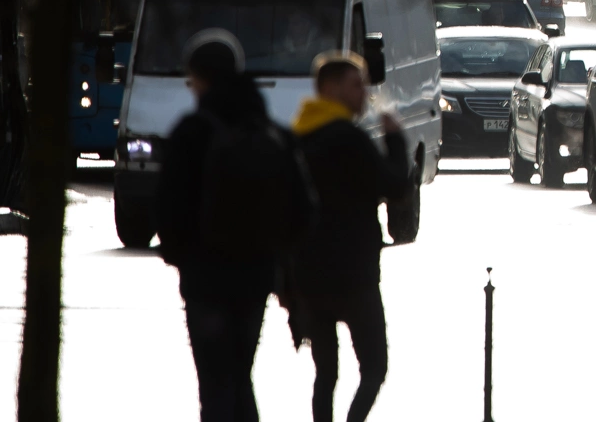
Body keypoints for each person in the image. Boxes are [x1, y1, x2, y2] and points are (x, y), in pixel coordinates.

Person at [157, 30, 313, 422]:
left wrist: (183, 258)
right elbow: (303, 209)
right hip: (256, 275)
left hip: (205, 278)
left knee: (215, 382)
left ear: (200, 78)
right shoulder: (271, 131)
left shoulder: (192, 132)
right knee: (240, 376)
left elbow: (168, 208)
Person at [290, 51, 411, 422]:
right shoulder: (349, 138)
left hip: (309, 277)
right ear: (330, 88)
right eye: (355, 85)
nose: (365, 94)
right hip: (353, 275)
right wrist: (395, 141)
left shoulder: (297, 137)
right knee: (374, 367)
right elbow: (393, 184)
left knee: (325, 373)